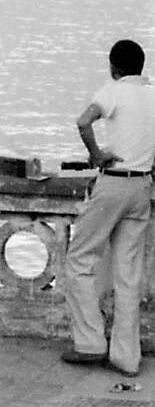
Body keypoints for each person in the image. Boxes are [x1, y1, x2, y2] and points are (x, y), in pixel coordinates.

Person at [61, 39, 155, 377]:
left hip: (113, 182)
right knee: (128, 274)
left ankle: (90, 343)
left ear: (114, 67)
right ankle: (127, 358)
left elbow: (83, 121)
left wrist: (97, 154)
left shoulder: (114, 90)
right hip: (142, 186)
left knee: (81, 258)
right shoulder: (152, 95)